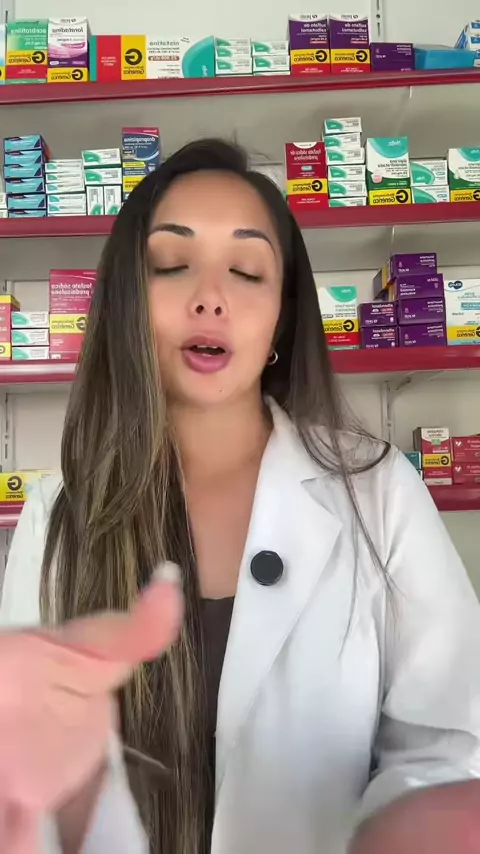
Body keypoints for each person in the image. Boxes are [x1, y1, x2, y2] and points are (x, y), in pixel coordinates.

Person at [1, 137, 480, 854]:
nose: (210, 296)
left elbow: (452, 745)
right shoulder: (60, 513)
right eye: (172, 264)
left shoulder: (377, 493)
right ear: (130, 302)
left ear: (282, 315)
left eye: (247, 271)